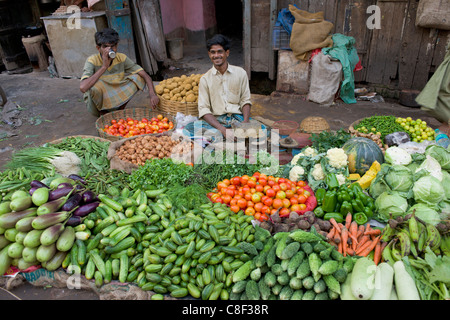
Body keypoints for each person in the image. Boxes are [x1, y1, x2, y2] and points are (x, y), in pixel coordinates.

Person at [80, 28, 159, 116]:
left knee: (138, 77)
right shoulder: (92, 60)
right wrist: (104, 67)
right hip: (98, 102)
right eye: (105, 47)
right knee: (94, 87)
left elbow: (145, 75)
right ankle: (103, 114)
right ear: (98, 48)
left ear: (116, 46)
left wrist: (152, 94)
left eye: (113, 46)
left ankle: (120, 110)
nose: (110, 50)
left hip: (115, 95)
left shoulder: (121, 58)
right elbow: (83, 87)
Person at [194, 34, 252, 140]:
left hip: (237, 118)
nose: (216, 55)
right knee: (191, 130)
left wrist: (245, 122)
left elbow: (245, 100)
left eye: (220, 51)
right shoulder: (205, 79)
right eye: (213, 52)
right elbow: (204, 109)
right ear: (209, 54)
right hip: (217, 121)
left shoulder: (241, 73)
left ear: (227, 53)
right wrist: (223, 130)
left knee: (262, 131)